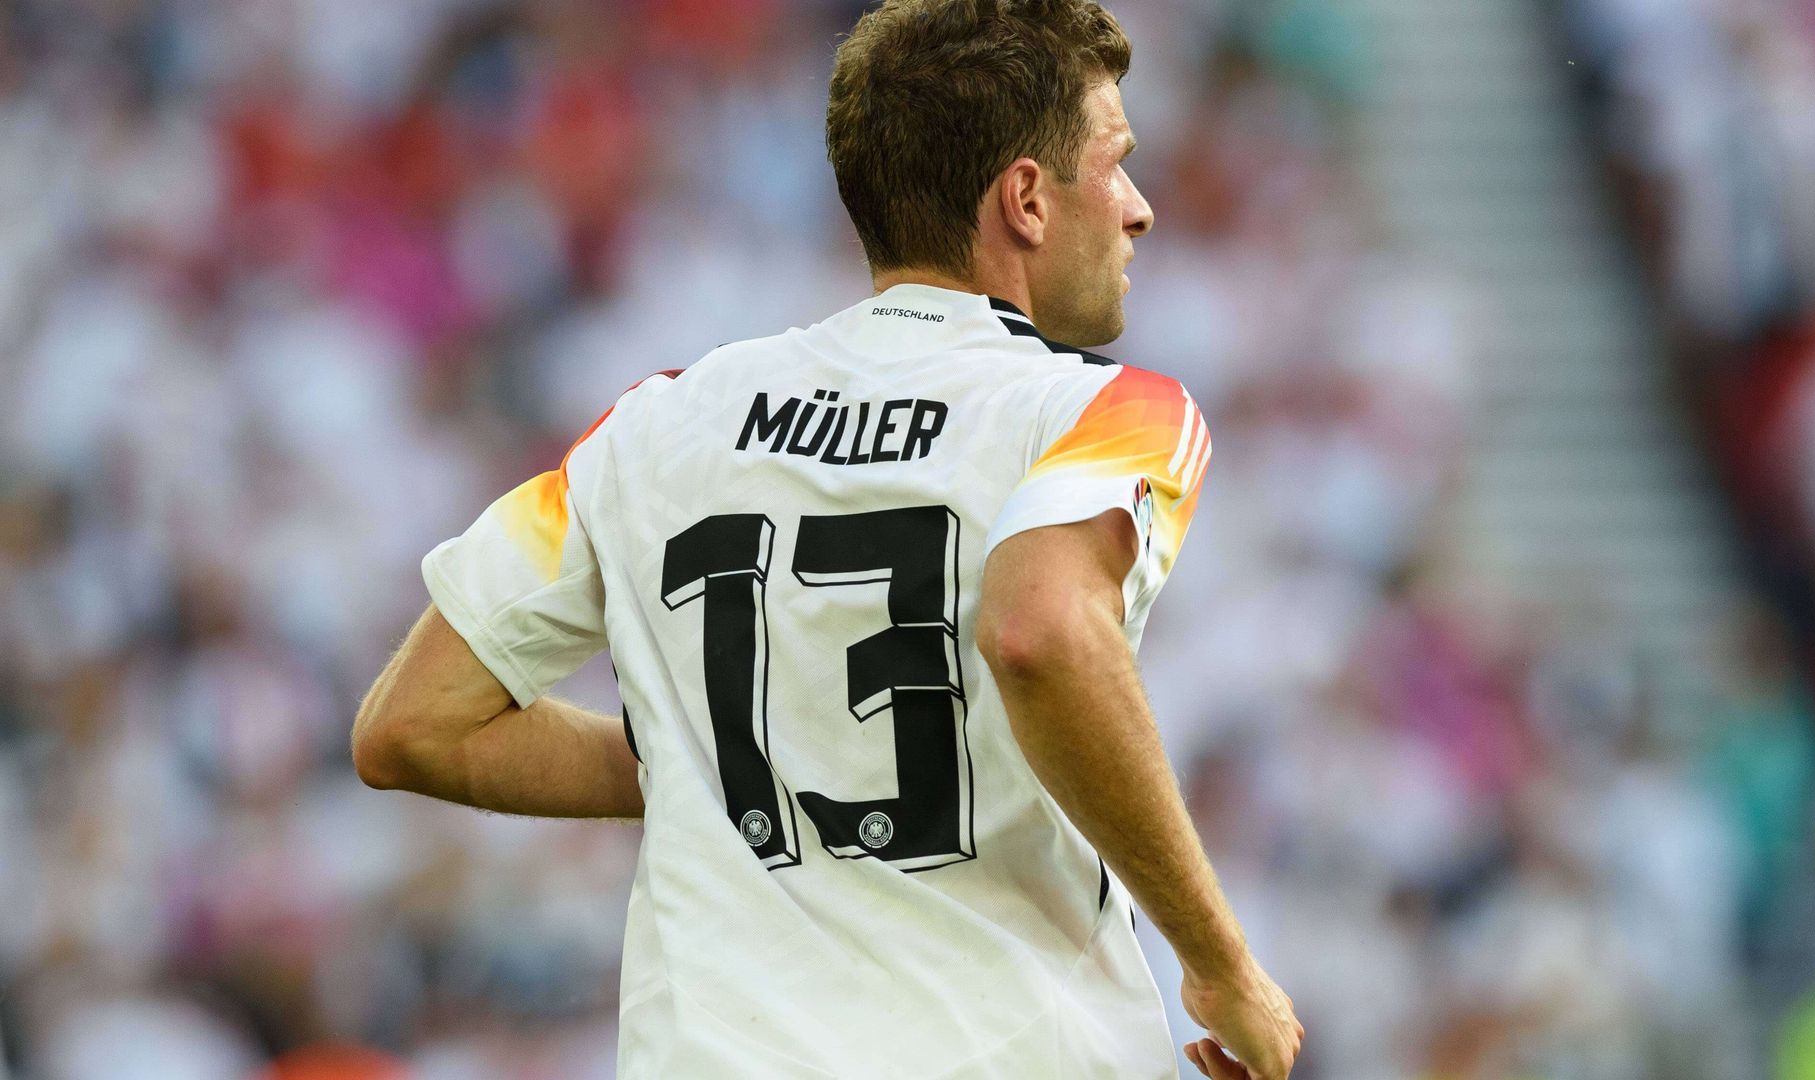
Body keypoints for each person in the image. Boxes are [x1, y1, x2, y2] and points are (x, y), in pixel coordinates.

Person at [350, 1, 1304, 1076]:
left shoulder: (660, 422)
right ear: (1028, 199)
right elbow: (1041, 632)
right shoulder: (1107, 412)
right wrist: (1221, 964)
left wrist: (724, 751)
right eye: (1116, 162)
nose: (1138, 209)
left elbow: (413, 726)